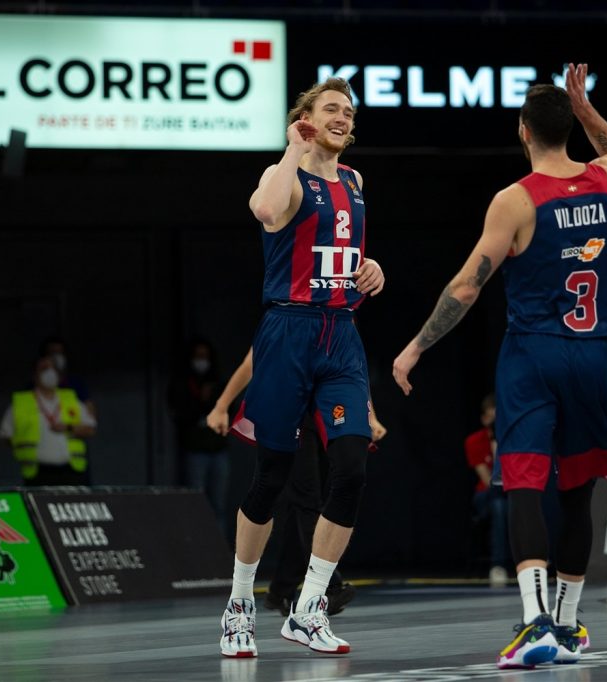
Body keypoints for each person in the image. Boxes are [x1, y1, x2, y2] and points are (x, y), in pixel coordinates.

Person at [392, 64, 607, 669]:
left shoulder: (516, 199)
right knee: (577, 494)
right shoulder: (604, 179)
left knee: (523, 482)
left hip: (534, 353)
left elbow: (467, 286)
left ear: (523, 131)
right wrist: (585, 108)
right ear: (570, 127)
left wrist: (416, 346)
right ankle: (569, 625)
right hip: (592, 354)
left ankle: (535, 623)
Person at [213, 77, 385, 659]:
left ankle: (308, 608)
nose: (342, 117)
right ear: (306, 118)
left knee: (352, 468)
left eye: (348, 112)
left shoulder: (355, 181)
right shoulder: (283, 173)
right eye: (330, 108)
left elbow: (341, 251)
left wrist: (372, 267)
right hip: (288, 330)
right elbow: (266, 210)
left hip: (341, 333)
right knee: (272, 476)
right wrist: (293, 148)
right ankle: (239, 602)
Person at [207, 348, 387, 617]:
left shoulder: (338, 325)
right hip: (288, 412)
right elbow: (251, 361)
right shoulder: (285, 322)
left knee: (308, 503)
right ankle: (329, 585)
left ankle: (281, 589)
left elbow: (353, 367)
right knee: (305, 498)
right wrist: (222, 406)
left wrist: (369, 416)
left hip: (323, 412)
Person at [0, 355, 97, 486]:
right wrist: (23, 447)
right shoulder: (21, 403)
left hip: (71, 471)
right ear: (35, 375)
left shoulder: (71, 399)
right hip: (37, 473)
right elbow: (5, 436)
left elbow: (90, 429)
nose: (50, 372)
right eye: (44, 368)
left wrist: (69, 428)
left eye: (53, 368)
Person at [169, 337, 231, 539]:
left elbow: (231, 411)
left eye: (205, 356)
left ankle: (218, 550)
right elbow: (179, 413)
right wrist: (200, 402)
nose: (201, 361)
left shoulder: (219, 384)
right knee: (195, 504)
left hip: (218, 451)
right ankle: (196, 549)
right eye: (198, 356)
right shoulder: (182, 384)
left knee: (218, 505)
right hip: (194, 452)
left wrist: (212, 400)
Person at [466, 393, 509, 586]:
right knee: (499, 505)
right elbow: (490, 481)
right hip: (486, 495)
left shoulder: (514, 439)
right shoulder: (474, 441)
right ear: (484, 419)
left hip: (512, 493)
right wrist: (495, 445)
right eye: (492, 420)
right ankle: (498, 566)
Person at [40, 335, 95, 417]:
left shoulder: (76, 383)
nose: (56, 356)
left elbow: (90, 413)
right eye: (53, 352)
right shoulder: (35, 385)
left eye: (60, 352)